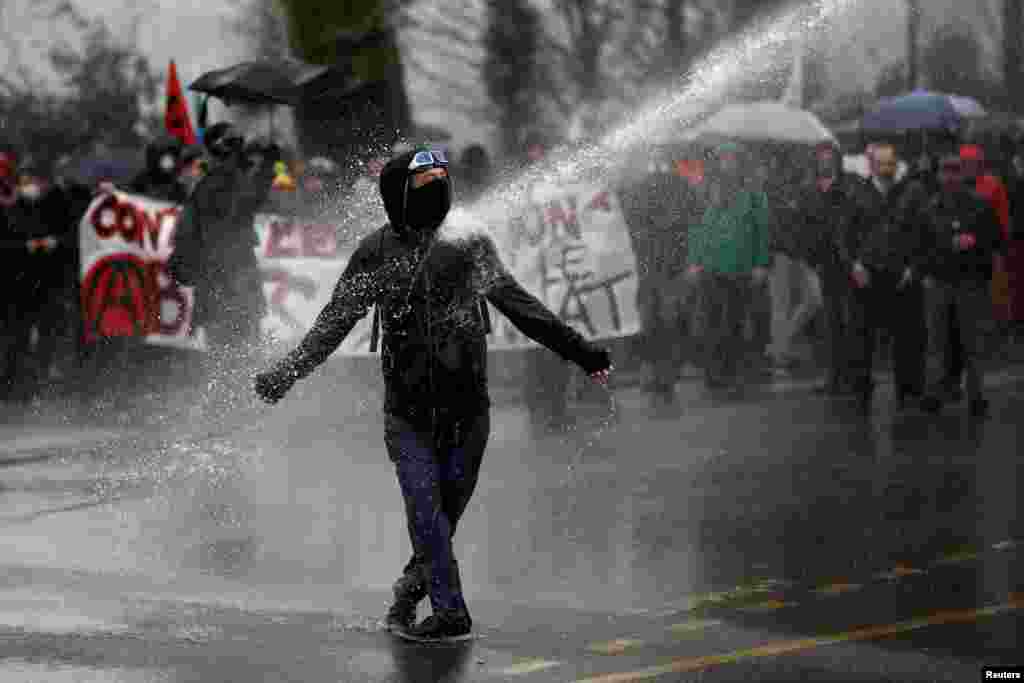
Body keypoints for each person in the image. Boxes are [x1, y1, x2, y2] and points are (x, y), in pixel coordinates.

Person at [252, 148, 613, 641]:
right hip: (407, 413)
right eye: (423, 189)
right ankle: (451, 613)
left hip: (469, 409)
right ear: (397, 198)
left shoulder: (467, 244)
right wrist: (287, 372)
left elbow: (518, 304)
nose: (436, 198)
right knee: (426, 511)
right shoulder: (374, 253)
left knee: (440, 519)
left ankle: (408, 588)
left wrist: (582, 351)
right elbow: (333, 323)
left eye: (440, 186)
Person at [168, 121, 275, 353]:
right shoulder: (226, 181)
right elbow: (250, 199)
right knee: (242, 355)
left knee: (225, 358)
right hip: (232, 284)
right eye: (235, 143)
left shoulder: (205, 187)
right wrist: (267, 165)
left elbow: (185, 241)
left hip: (219, 287)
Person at [919, 155, 1003, 418]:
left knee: (972, 342)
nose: (950, 177)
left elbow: (997, 239)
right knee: (936, 342)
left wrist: (975, 241)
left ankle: (977, 397)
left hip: (970, 282)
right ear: (939, 176)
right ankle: (934, 393)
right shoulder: (930, 207)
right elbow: (920, 246)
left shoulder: (979, 206)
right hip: (939, 283)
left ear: (962, 174)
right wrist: (931, 265)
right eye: (945, 172)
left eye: (955, 172)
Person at [852, 143, 931, 412]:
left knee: (908, 336)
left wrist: (915, 266)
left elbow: (924, 233)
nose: (885, 169)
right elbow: (845, 234)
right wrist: (854, 263)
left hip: (902, 274)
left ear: (896, 165)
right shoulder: (858, 192)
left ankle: (909, 390)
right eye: (880, 164)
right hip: (869, 272)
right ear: (871, 165)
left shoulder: (911, 191)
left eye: (890, 164)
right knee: (862, 337)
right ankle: (860, 389)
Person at [687, 142, 771, 391]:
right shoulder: (707, 190)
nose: (727, 163)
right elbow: (698, 228)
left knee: (734, 321)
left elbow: (762, 231)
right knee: (711, 321)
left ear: (738, 161)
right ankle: (714, 372)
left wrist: (760, 263)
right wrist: (694, 260)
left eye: (731, 159)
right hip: (712, 266)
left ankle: (732, 370)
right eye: (723, 159)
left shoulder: (753, 193)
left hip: (741, 266)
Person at [619, 144, 695, 406]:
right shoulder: (639, 189)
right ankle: (657, 373)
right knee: (653, 321)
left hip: (667, 265)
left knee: (666, 320)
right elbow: (630, 224)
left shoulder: (679, 187)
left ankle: (664, 374)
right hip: (649, 265)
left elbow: (690, 223)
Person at [0, 159, 74, 396]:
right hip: (18, 284)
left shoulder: (57, 206)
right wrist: (25, 247)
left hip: (48, 284)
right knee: (17, 335)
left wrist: (56, 243)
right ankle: (14, 382)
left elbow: (71, 236)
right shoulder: (12, 210)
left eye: (33, 181)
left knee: (47, 334)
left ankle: (36, 381)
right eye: (24, 181)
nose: (29, 186)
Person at [129, 135, 188, 203]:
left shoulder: (178, 189)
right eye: (167, 158)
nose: (170, 162)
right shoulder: (141, 182)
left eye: (173, 158)